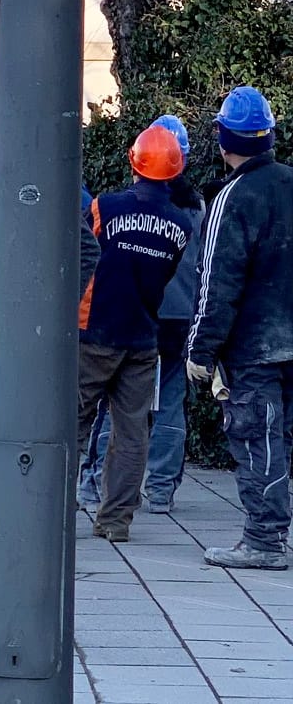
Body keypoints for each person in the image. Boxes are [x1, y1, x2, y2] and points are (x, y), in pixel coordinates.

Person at [187, 86, 293, 571]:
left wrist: (200, 350)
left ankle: (264, 542)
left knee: (258, 440)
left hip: (254, 349)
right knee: (281, 440)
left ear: (223, 139)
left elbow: (216, 281)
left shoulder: (233, 197)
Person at [79, 115, 203, 516]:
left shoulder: (105, 206)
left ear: (134, 162)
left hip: (98, 329)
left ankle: (70, 498)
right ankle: (122, 516)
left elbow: (80, 255)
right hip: (151, 332)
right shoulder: (185, 220)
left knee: (80, 420)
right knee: (136, 426)